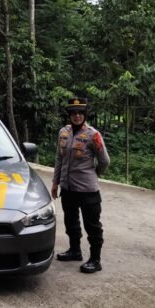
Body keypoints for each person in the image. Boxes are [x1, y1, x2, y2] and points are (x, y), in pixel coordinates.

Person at [51, 97, 110, 273]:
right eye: (73, 113)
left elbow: (105, 161)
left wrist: (94, 174)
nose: (77, 116)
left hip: (87, 190)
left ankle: (95, 259)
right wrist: (55, 182)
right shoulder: (63, 132)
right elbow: (59, 159)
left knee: (92, 225)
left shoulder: (93, 135)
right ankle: (75, 251)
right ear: (69, 115)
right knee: (71, 222)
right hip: (67, 188)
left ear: (84, 115)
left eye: (80, 113)